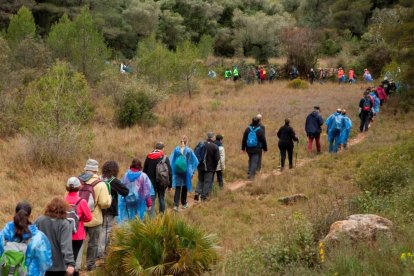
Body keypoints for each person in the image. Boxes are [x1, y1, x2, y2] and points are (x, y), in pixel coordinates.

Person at [0, 202, 52, 276]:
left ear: (15, 213)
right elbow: (45, 262)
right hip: (31, 273)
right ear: (30, 215)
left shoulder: (3, 233)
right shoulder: (38, 237)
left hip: (7, 273)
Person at [78, 159, 112, 272]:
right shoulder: (100, 184)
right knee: (93, 243)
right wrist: (110, 199)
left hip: (79, 218)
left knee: (78, 243)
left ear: (85, 168)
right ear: (96, 170)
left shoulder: (77, 181)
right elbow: (104, 203)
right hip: (95, 218)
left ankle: (76, 266)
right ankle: (90, 265)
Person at [35, 197, 76, 276]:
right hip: (58, 265)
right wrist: (70, 263)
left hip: (41, 262)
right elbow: (66, 245)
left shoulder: (39, 220)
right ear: (64, 209)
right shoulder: (64, 224)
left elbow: (33, 239)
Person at [97, 161, 128, 259]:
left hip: (98, 208)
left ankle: (97, 251)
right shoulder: (113, 181)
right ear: (115, 170)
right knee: (106, 230)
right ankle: (101, 253)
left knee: (99, 229)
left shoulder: (99, 179)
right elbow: (125, 191)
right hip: (109, 209)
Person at [64, 177, 92, 276]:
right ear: (79, 187)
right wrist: (80, 220)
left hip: (64, 234)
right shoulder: (82, 201)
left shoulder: (63, 200)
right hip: (78, 234)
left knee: (64, 257)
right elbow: (89, 217)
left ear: (67, 187)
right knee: (74, 257)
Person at [169, 135, 199, 211]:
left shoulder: (176, 149)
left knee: (178, 187)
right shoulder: (189, 150)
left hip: (177, 171)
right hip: (186, 171)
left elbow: (171, 159)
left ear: (180, 141)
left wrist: (173, 170)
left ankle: (175, 205)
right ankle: (184, 203)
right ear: (186, 142)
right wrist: (192, 171)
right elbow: (195, 161)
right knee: (185, 187)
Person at [143, 142, 173, 216]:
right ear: (163, 148)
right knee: (161, 198)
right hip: (161, 182)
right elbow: (170, 173)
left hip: (150, 183)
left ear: (155, 148)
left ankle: (151, 218)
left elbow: (144, 171)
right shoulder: (165, 158)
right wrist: (170, 185)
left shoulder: (149, 157)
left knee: (152, 200)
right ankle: (161, 216)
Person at [194, 132, 220, 202]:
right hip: (210, 168)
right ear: (213, 137)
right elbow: (217, 159)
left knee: (200, 180)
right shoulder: (215, 147)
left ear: (207, 137)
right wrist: (214, 167)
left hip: (200, 167)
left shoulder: (201, 144)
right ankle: (203, 197)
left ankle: (196, 194)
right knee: (207, 182)